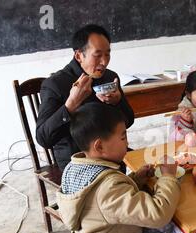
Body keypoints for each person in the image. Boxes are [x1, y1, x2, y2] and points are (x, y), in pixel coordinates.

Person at [57, 102, 181, 233]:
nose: (127, 141)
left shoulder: (75, 168)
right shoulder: (108, 187)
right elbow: (158, 214)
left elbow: (102, 205)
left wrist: (136, 179)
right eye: (123, 136)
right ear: (99, 146)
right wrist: (168, 177)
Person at [36, 24, 134, 170]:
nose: (104, 61)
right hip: (77, 161)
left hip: (112, 155)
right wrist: (71, 104)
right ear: (79, 55)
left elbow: (129, 120)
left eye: (107, 54)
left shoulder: (110, 77)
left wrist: (117, 102)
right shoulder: (55, 84)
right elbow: (44, 138)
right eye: (98, 55)